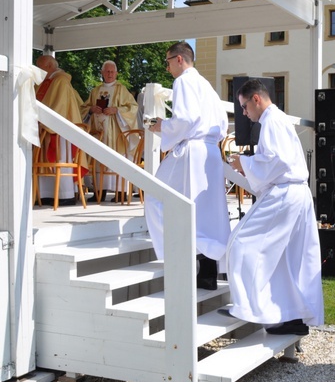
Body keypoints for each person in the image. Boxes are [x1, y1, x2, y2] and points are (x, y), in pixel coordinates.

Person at [222, 79, 323, 335]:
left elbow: (275, 161)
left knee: (241, 243)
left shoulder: (272, 121)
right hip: (295, 192)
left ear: (256, 99)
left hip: (286, 193)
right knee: (288, 259)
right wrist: (247, 164)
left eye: (244, 107)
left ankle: (249, 306)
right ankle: (291, 316)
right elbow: (276, 161)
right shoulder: (276, 120)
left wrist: (243, 163)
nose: (244, 113)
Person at [145, 42, 230, 290]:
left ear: (180, 59)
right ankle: (207, 272)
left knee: (155, 196)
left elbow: (186, 119)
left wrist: (163, 126)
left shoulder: (183, 81)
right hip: (212, 152)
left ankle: (177, 256)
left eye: (168, 61)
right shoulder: (207, 86)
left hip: (192, 151)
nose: (168, 67)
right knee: (207, 213)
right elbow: (223, 123)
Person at [82, 61, 139, 202]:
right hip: (98, 132)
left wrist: (116, 110)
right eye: (107, 71)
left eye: (112, 72)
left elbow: (133, 107)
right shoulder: (95, 91)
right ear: (102, 73)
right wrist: (91, 109)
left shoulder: (121, 90)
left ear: (116, 73)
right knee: (98, 159)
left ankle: (120, 193)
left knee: (117, 159)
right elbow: (83, 107)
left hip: (116, 133)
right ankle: (98, 191)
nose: (109, 74)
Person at [34, 54, 86, 206]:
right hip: (43, 129)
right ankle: (45, 194)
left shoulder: (61, 81)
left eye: (40, 67)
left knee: (60, 158)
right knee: (44, 160)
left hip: (60, 132)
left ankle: (65, 195)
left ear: (49, 66)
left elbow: (59, 107)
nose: (38, 70)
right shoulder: (45, 82)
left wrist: (44, 122)